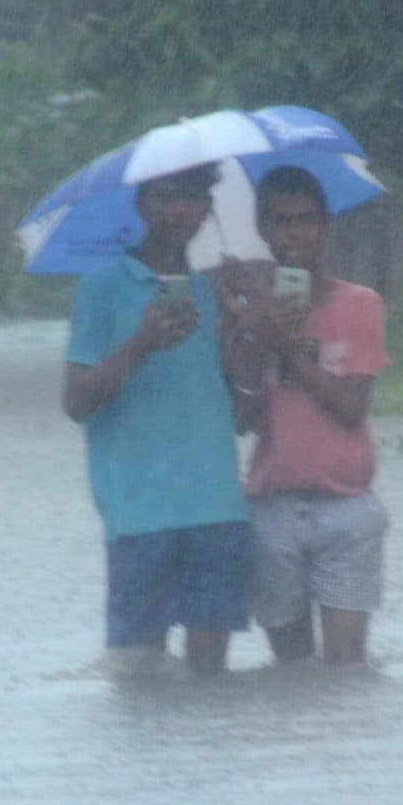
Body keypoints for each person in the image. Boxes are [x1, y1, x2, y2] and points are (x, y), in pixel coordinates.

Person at [62, 164, 253, 676]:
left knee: (211, 684)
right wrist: (142, 344)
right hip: (139, 511)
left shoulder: (214, 291)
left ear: (208, 211)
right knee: (136, 677)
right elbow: (76, 402)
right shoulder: (100, 289)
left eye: (191, 199)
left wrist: (243, 322)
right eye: (165, 197)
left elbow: (244, 412)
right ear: (141, 204)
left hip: (217, 507)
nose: (178, 210)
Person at [222, 165, 390, 666]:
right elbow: (242, 418)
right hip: (273, 506)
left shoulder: (361, 305)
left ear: (325, 226)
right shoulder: (249, 311)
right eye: (280, 222)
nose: (293, 234)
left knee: (345, 670)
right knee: (291, 674)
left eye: (304, 221)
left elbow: (350, 406)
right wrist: (250, 333)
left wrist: (289, 349)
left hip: (346, 508)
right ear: (263, 231)